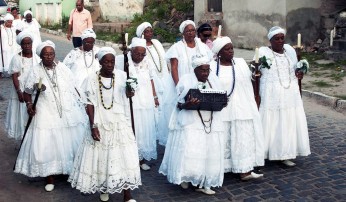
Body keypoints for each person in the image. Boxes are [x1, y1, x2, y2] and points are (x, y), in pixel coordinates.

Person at [14, 40, 89, 192]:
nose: (49, 57)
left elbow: (74, 87)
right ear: (41, 56)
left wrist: (83, 103)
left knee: (69, 140)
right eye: (45, 54)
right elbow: (28, 93)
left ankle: (69, 170)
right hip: (44, 109)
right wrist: (29, 105)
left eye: (51, 54)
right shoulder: (35, 71)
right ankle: (49, 176)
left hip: (66, 109)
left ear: (55, 54)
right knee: (48, 142)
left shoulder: (62, 68)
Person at [68, 47, 140, 202]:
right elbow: (89, 104)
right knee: (102, 157)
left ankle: (127, 195)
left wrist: (130, 92)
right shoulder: (91, 79)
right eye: (106, 61)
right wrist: (93, 126)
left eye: (112, 61)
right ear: (100, 62)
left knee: (124, 157)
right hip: (100, 122)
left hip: (119, 121)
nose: (109, 64)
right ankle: (104, 187)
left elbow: (130, 92)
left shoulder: (122, 76)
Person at [159, 54, 225, 195]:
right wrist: (187, 104)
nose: (206, 73)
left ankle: (204, 181)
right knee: (192, 148)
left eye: (208, 70)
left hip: (210, 121)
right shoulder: (186, 80)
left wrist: (223, 102)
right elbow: (179, 104)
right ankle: (187, 176)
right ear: (195, 69)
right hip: (191, 121)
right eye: (202, 70)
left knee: (209, 150)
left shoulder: (214, 80)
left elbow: (221, 96)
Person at [210, 36, 265, 180]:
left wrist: (255, 76)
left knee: (242, 137)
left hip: (241, 107)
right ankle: (221, 168)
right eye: (227, 49)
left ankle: (244, 170)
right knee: (223, 139)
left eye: (232, 48)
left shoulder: (240, 63)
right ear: (219, 53)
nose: (231, 51)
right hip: (222, 110)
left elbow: (250, 81)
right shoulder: (211, 67)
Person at [256, 26, 310, 166]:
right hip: (272, 93)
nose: (280, 41)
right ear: (270, 40)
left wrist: (300, 72)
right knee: (271, 122)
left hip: (289, 92)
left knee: (287, 122)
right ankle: (263, 153)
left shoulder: (290, 51)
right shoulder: (263, 52)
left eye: (282, 38)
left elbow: (295, 69)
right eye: (276, 39)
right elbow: (256, 70)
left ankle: (285, 153)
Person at [135, 22, 175, 146]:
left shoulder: (156, 43)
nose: (150, 33)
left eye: (151, 30)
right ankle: (155, 132)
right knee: (155, 105)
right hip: (151, 79)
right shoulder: (139, 46)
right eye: (147, 31)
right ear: (141, 34)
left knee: (165, 105)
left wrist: (167, 73)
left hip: (163, 77)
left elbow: (164, 59)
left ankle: (163, 130)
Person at [129, 37, 159, 171]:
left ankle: (141, 159)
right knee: (133, 129)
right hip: (131, 102)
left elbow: (151, 80)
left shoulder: (147, 62)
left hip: (146, 101)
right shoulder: (123, 61)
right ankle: (131, 159)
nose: (140, 57)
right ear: (131, 51)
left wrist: (155, 96)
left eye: (143, 54)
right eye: (137, 54)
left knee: (144, 129)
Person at [5, 32, 40, 141]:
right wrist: (19, 91)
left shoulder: (37, 57)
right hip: (21, 89)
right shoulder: (16, 58)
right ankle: (23, 137)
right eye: (24, 44)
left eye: (29, 43)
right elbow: (14, 76)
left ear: (32, 43)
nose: (27, 46)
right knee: (22, 113)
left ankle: (33, 137)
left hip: (34, 89)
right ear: (21, 45)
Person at [166, 20, 213, 85]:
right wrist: (178, 86)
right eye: (188, 31)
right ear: (183, 33)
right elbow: (174, 68)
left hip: (202, 82)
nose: (191, 33)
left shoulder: (203, 47)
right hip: (183, 83)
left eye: (193, 30)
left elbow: (210, 63)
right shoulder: (176, 48)